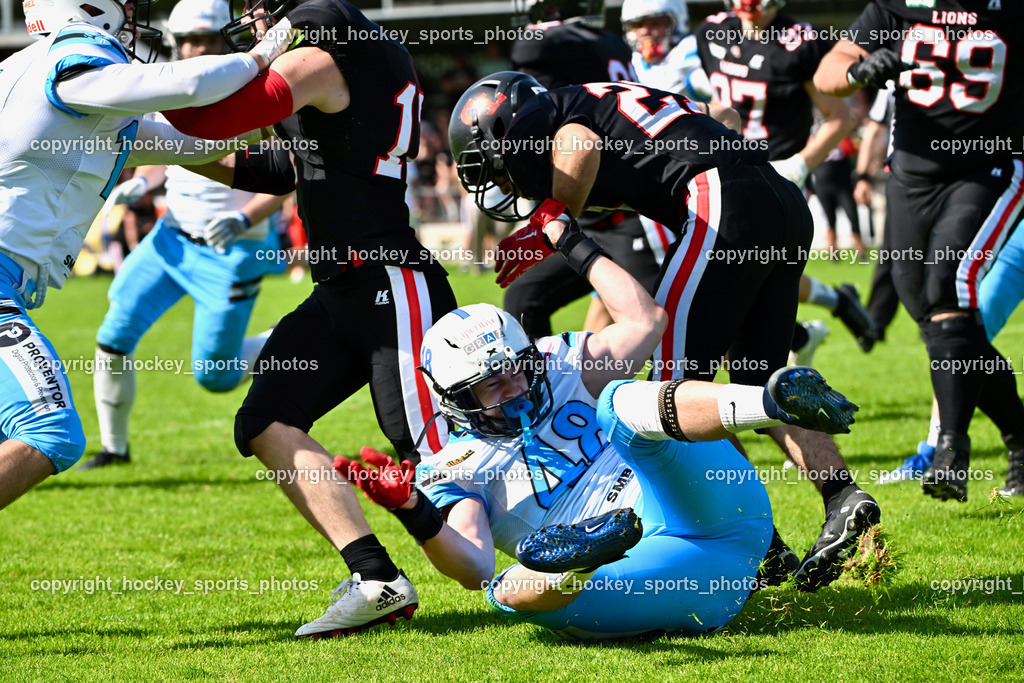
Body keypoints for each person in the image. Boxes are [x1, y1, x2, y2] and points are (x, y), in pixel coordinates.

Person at [448, 71, 880, 592]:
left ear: (500, 130)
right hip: (779, 198)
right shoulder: (607, 93)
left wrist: (553, 221)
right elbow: (724, 117)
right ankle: (843, 499)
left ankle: (759, 547)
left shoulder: (549, 119)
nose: (504, 183)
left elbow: (577, 143)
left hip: (717, 202)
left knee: (669, 398)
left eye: (493, 168)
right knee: (756, 387)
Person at [333, 213, 858, 638]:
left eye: (515, 369)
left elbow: (646, 322)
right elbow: (473, 566)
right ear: (455, 399)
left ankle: (770, 402)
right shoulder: (456, 465)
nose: (512, 388)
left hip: (708, 505)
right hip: (657, 573)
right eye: (490, 386)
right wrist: (413, 511)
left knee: (618, 402)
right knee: (505, 590)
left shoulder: (559, 365)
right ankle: (575, 560)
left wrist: (568, 236)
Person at [164, 0, 458, 636]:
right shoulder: (344, 55)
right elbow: (283, 166)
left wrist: (125, 95)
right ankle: (376, 577)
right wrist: (153, 145)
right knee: (266, 419)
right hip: (342, 287)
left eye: (260, 7)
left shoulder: (323, 56)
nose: (252, 16)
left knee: (437, 455)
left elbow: (224, 117)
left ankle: (561, 548)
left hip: (389, 279)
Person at [0, 0, 292, 509]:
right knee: (48, 430)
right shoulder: (71, 60)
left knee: (213, 369)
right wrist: (264, 55)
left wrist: (291, 132)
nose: (133, 19)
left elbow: (197, 146)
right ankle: (114, 447)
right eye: (125, 6)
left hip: (20, 277)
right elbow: (193, 86)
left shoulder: (42, 84)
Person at [814, 0, 1024, 502]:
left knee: (948, 288)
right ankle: (1020, 440)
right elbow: (828, 73)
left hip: (986, 168)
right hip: (909, 176)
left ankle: (951, 446)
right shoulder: (897, 5)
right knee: (934, 317)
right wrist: (861, 69)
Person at [81, 0, 288, 470]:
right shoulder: (174, 90)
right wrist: (143, 182)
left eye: (209, 39)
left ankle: (292, 340)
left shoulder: (264, 96)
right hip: (171, 238)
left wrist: (244, 217)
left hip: (231, 249)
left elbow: (290, 175)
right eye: (190, 40)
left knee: (216, 376)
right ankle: (115, 447)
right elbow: (174, 155)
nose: (198, 49)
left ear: (227, 40)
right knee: (113, 335)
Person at [695, 0, 876, 362]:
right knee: (743, 275)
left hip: (776, 171)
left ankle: (765, 379)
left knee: (735, 276)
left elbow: (839, 118)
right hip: (727, 167)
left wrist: (798, 165)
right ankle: (820, 320)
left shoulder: (799, 42)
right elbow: (720, 100)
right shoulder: (711, 32)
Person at [501, 0, 663, 339]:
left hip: (628, 216)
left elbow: (530, 72)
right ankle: (541, 389)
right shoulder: (608, 43)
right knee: (523, 296)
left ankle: (771, 363)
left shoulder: (545, 44)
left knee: (668, 325)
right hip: (587, 216)